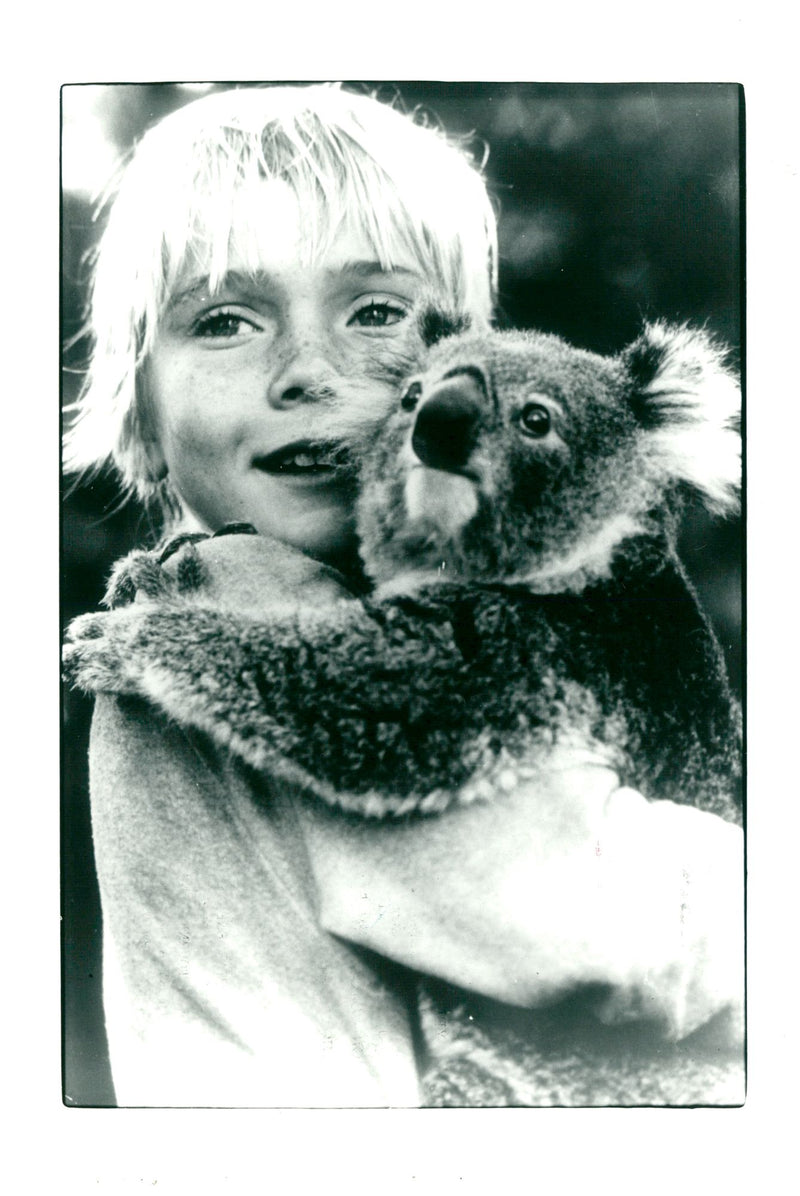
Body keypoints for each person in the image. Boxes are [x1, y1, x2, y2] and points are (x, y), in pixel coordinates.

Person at [63, 83, 744, 1107]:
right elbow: (596, 930)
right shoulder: (227, 595)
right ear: (141, 416)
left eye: (375, 313)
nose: (305, 371)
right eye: (225, 318)